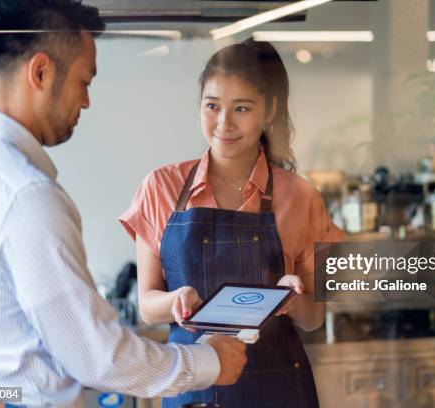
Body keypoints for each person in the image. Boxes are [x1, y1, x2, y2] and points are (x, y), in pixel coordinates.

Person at [0, 1, 247, 406]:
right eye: (84, 81)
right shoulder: (26, 195)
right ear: (40, 72)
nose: (87, 101)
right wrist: (208, 362)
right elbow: (97, 356)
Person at [119, 39, 343, 407]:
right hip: (193, 387)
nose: (224, 123)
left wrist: (291, 298)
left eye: (242, 108)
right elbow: (147, 305)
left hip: (279, 389)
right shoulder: (161, 187)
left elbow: (313, 318)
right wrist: (177, 300)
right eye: (212, 106)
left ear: (269, 110)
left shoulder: (301, 198)